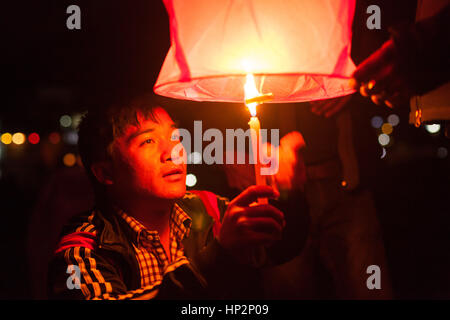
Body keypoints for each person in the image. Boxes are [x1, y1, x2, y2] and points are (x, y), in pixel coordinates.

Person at [47, 95, 308, 300]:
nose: (172, 151)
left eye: (174, 136)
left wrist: (287, 190)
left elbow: (278, 249)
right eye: (148, 141)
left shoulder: (208, 208)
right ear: (105, 172)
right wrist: (218, 257)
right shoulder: (81, 251)